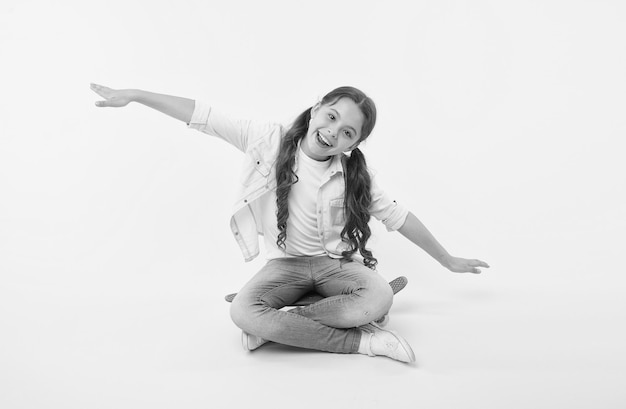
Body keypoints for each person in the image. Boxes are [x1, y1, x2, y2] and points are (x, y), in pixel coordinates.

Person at [90, 83, 490, 363]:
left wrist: (447, 260)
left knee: (378, 297)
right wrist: (138, 95)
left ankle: (281, 324)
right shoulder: (267, 139)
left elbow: (400, 218)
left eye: (347, 132)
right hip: (284, 267)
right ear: (316, 108)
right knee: (243, 314)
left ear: (353, 144)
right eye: (331, 117)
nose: (332, 132)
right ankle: (365, 342)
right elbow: (203, 116)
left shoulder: (356, 176)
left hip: (337, 267)